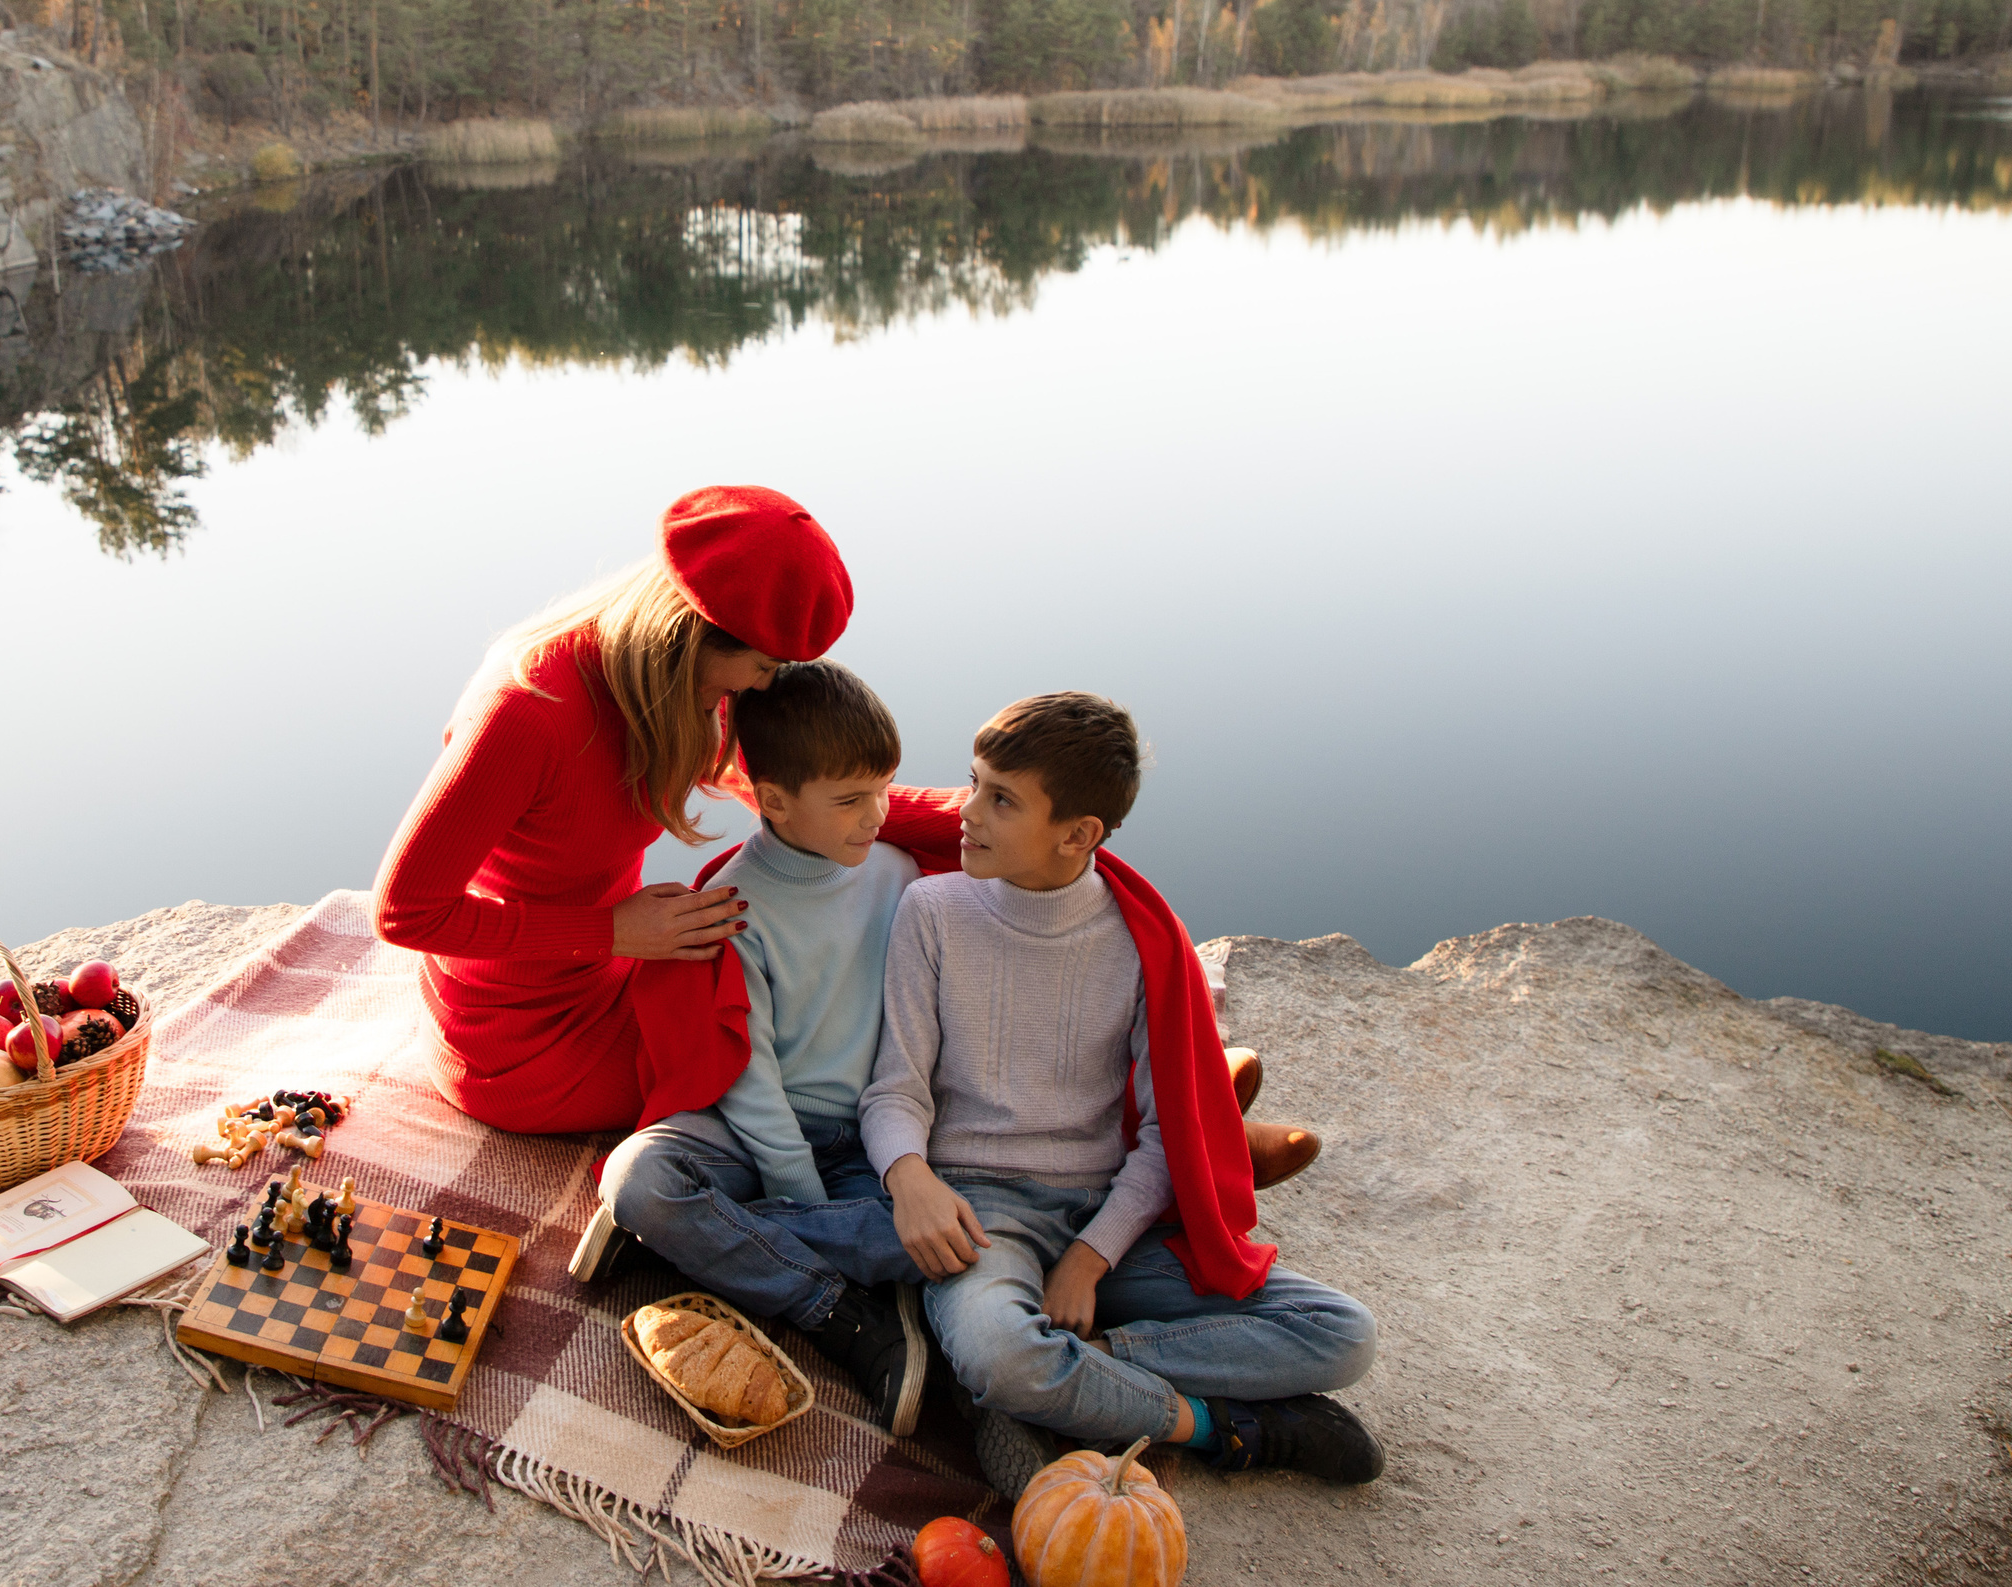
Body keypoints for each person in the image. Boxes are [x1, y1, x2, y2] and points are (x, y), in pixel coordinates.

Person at [862, 692, 1382, 1500]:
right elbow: (895, 1086)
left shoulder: (1140, 941)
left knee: (1343, 1333)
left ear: (1078, 834)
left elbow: (1165, 1136)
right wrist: (909, 1177)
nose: (966, 812)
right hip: (982, 1215)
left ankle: (1077, 1371)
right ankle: (1234, 1429)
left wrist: (1089, 1256)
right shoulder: (933, 912)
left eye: (1001, 799)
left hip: (1111, 1219)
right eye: (974, 782)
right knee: (1002, 1353)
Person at [373, 485, 855, 1135]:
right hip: (522, 1042)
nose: (763, 686)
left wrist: (971, 813)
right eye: (763, 665)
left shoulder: (681, 687)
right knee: (792, 1054)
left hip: (613, 966)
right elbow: (404, 911)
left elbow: (799, 792)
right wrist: (612, 931)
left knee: (811, 975)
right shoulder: (528, 709)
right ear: (694, 632)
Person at [585, 661, 932, 1434]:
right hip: (755, 1132)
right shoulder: (738, 904)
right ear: (773, 800)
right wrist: (798, 1189)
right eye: (850, 799)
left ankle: (701, 1243)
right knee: (640, 1174)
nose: (877, 812)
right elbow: (745, 1070)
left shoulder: (900, 874)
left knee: (955, 1227)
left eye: (882, 789)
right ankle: (840, 1313)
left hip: (869, 1139)